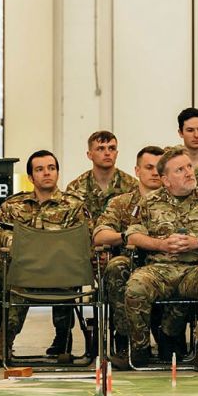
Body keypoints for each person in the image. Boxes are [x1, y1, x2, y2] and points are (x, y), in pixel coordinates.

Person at [123, 147, 198, 373]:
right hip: (159, 270)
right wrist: (160, 244)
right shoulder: (149, 202)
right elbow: (132, 236)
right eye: (180, 169)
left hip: (195, 269)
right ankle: (140, 348)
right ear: (165, 180)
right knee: (136, 284)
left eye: (189, 167)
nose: (188, 173)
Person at [0, 150, 90, 367]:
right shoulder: (13, 206)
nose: (47, 173)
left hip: (61, 272)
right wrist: (21, 245)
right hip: (25, 271)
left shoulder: (74, 206)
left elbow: (84, 238)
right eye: (40, 169)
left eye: (51, 168)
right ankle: (3, 343)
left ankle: (63, 338)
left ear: (57, 173)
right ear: (31, 177)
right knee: (19, 286)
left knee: (64, 282)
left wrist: (45, 247)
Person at [60, 131, 137, 355]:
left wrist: (112, 251)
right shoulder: (76, 188)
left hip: (121, 251)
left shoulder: (131, 186)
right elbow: (71, 226)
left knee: (119, 272)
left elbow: (135, 225)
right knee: (60, 272)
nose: (107, 153)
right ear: (89, 154)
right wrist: (93, 251)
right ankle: (62, 335)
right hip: (85, 252)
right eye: (101, 149)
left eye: (111, 148)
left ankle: (122, 335)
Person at [92, 146, 165, 369]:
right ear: (136, 170)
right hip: (131, 263)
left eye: (159, 168)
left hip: (166, 265)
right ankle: (126, 340)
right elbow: (99, 235)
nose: (154, 173)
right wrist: (128, 236)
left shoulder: (177, 200)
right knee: (116, 266)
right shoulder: (121, 203)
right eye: (149, 167)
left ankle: (169, 337)